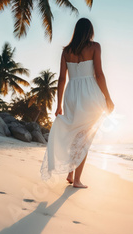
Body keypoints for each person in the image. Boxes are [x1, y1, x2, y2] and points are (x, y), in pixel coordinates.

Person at [40, 18, 115, 188]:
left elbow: (61, 79)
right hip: (90, 94)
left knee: (75, 134)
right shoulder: (95, 47)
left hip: (71, 93)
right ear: (89, 31)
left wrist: (58, 104)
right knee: (84, 137)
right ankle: (77, 180)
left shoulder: (66, 51)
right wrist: (108, 98)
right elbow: (99, 74)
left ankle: (70, 173)